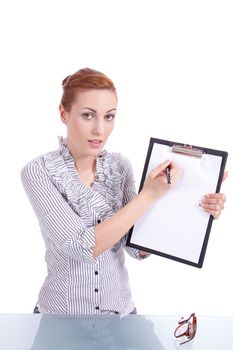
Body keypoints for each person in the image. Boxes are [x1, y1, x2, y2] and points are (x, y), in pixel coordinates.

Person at [21, 68, 226, 315]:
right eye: (88, 115)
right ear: (63, 113)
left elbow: (136, 246)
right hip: (60, 317)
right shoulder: (38, 171)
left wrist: (194, 204)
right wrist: (149, 194)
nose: (100, 129)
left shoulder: (120, 166)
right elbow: (82, 247)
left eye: (109, 116)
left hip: (121, 314)